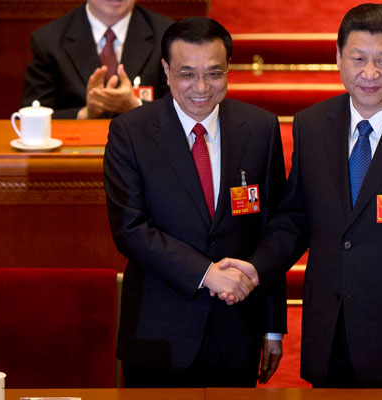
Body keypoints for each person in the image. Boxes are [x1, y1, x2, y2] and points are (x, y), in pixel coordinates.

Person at [219, 3, 382, 388]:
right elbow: (295, 218)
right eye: (358, 58)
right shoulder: (312, 126)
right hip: (330, 330)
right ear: (338, 58)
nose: (369, 73)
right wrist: (257, 266)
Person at [103, 17, 287, 387]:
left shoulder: (260, 128)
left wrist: (272, 328)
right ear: (167, 71)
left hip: (236, 329)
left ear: (228, 70)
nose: (201, 87)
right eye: (187, 74)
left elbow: (274, 230)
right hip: (159, 328)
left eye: (214, 73)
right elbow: (131, 229)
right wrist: (206, 274)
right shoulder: (131, 132)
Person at [21, 0, 172, 119]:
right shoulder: (49, 40)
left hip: (145, 149)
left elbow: (183, 110)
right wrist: (85, 114)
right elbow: (34, 113)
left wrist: (136, 105)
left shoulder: (168, 36)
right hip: (74, 150)